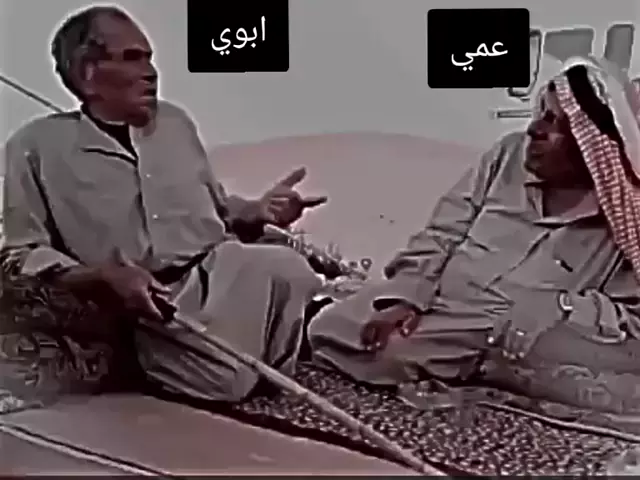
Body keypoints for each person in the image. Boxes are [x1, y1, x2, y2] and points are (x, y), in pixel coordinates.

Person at [1, 5, 327, 403]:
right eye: (132, 58)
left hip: (216, 272)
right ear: (88, 72)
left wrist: (258, 211)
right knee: (228, 381)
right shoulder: (35, 147)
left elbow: (215, 207)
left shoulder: (175, 124)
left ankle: (249, 362)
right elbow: (22, 252)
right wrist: (102, 276)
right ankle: (201, 362)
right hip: (147, 299)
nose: (151, 72)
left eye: (149, 58)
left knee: (288, 267)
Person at [309, 57, 640, 416]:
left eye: (554, 123)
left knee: (391, 353)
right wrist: (406, 297)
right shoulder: (507, 156)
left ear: (593, 148)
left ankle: (492, 374)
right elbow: (443, 234)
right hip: (438, 299)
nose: (534, 129)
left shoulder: (626, 217)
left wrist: (561, 305)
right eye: (541, 113)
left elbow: (631, 317)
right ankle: (484, 374)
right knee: (332, 328)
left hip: (519, 332)